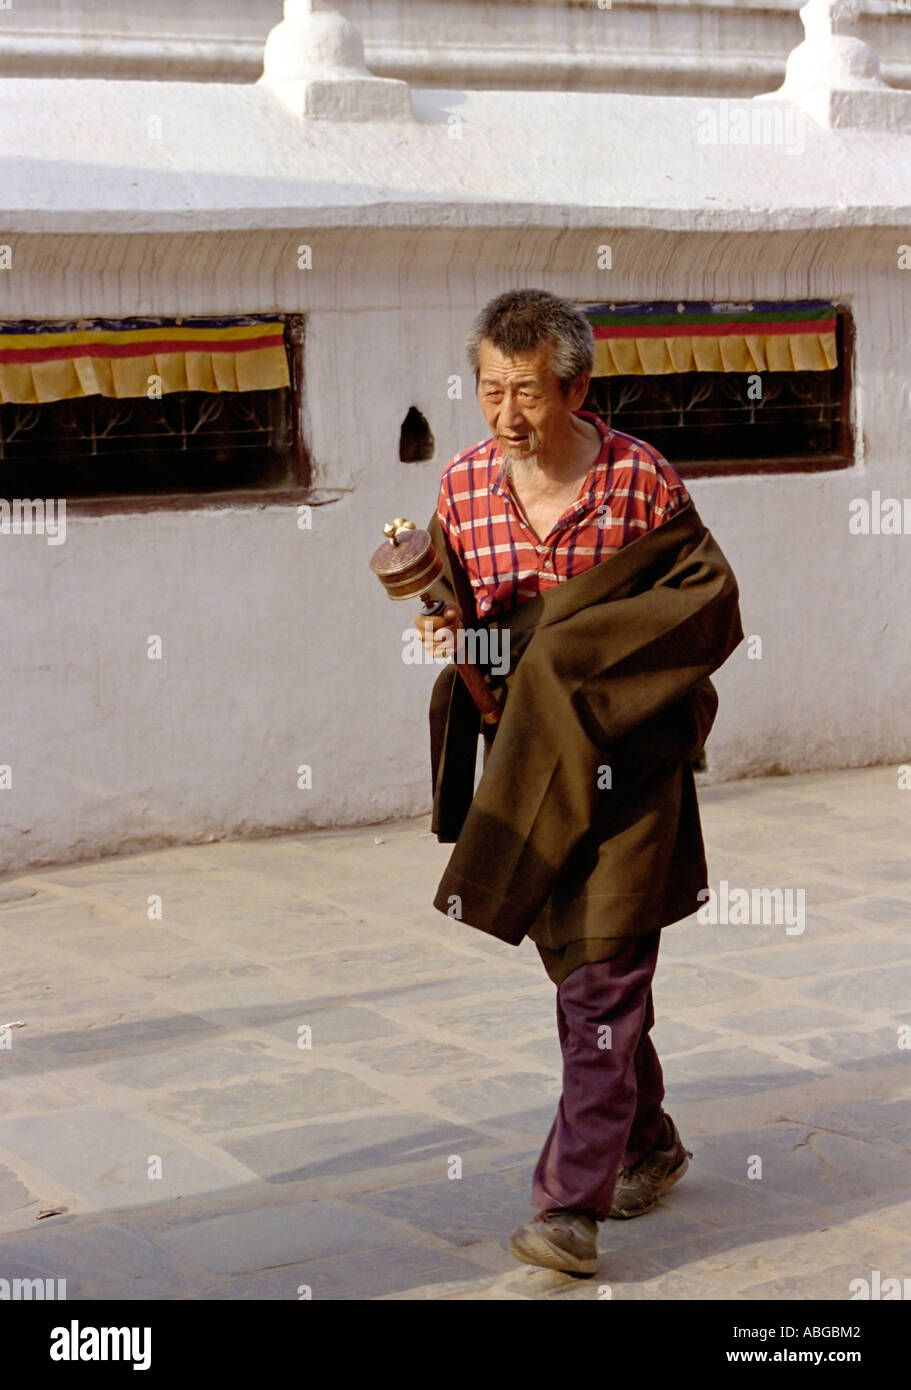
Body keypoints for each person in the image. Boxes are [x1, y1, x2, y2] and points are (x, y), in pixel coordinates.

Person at [415, 288, 744, 1276]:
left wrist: (576, 657)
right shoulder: (464, 487)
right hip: (527, 760)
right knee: (579, 973)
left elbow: (704, 605)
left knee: (601, 981)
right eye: (490, 390)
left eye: (527, 392)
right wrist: (450, 632)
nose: (506, 414)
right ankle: (647, 1140)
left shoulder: (639, 481)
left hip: (630, 762)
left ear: (576, 389)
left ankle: (569, 1206)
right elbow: (472, 626)